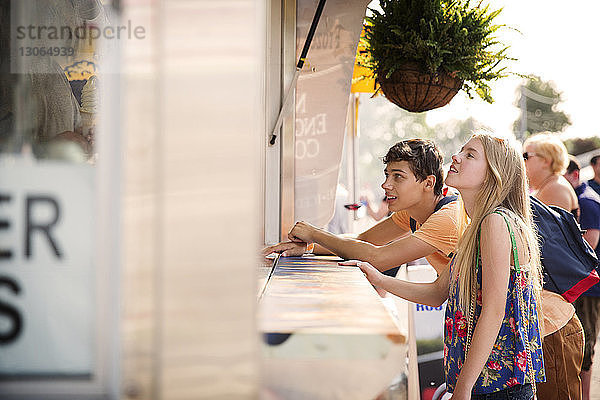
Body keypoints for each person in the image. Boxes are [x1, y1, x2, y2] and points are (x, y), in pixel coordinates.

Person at [352, 133, 545, 399]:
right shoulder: (476, 223)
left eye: (470, 155)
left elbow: (493, 311)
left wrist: (463, 389)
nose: (456, 156)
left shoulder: (495, 222)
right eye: (461, 151)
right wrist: (379, 278)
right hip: (480, 382)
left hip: (494, 386)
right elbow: (437, 292)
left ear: (493, 173)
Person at [263, 138, 459, 277]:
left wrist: (314, 234)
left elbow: (377, 257)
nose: (386, 185)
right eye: (387, 175)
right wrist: (308, 247)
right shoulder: (410, 214)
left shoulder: (446, 218)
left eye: (398, 176)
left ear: (428, 183)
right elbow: (363, 240)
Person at [523, 133, 584, 399]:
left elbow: (547, 245)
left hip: (560, 291)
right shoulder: (549, 187)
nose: (521, 161)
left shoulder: (555, 189)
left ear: (546, 160)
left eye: (526, 156)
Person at [564, 156, 600, 400]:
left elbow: (591, 243)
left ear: (575, 175)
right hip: (579, 287)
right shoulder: (581, 198)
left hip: (587, 288)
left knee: (584, 347)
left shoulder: (586, 202)